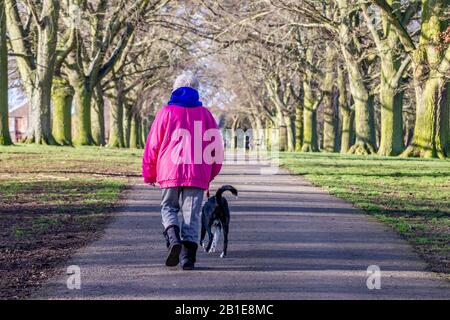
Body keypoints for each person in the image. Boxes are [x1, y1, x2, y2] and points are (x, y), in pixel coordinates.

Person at [142, 72, 223, 270]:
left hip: (169, 170)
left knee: (168, 207)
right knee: (192, 215)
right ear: (196, 90)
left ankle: (173, 237)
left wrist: (149, 172)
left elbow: (153, 144)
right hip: (197, 173)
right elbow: (216, 147)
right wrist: (210, 173)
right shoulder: (205, 115)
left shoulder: (166, 113)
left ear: (175, 88)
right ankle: (188, 258)